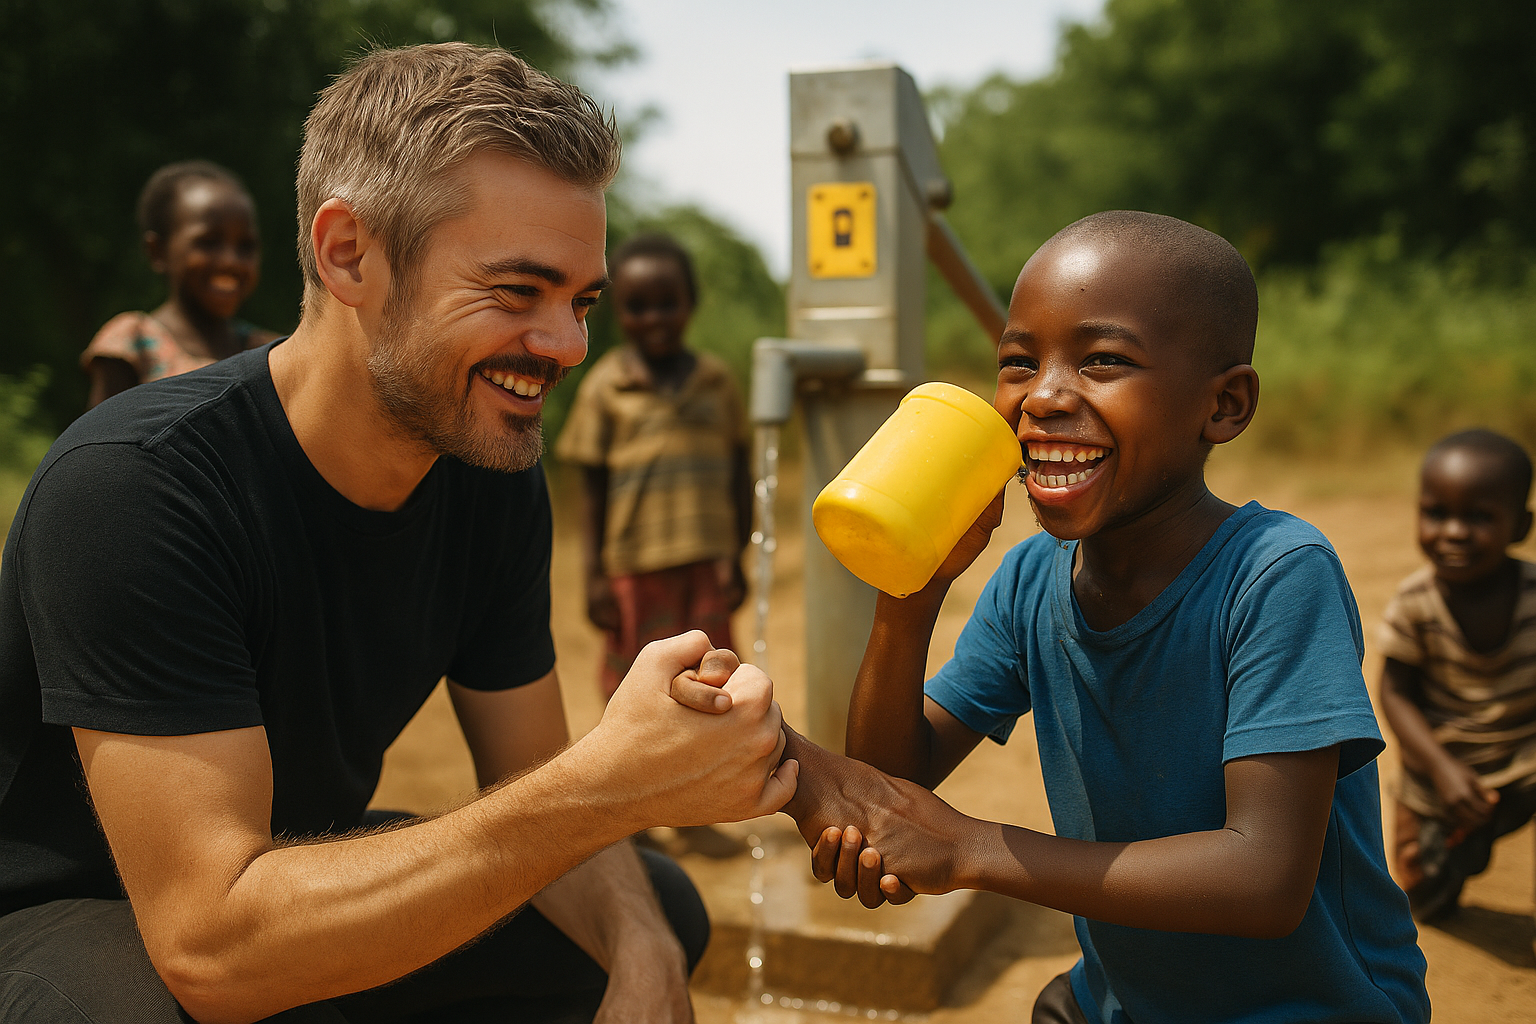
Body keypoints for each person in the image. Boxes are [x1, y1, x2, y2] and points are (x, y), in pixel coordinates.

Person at [0, 43, 797, 1024]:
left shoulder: (487, 466)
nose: (568, 346)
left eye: (580, 301)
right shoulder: (137, 485)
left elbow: (527, 774)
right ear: (349, 254)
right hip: (76, 915)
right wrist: (614, 784)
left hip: (281, 869)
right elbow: (211, 943)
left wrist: (642, 952)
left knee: (652, 910)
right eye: (517, 291)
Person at [777, 211, 1431, 1024]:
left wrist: (970, 847)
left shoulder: (1275, 575)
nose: (1043, 396)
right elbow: (893, 780)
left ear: (1224, 405)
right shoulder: (1030, 580)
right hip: (1132, 999)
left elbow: (1264, 878)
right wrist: (909, 594)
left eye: (1103, 361)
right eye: (1019, 362)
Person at [555, 233, 752, 701]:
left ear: (691, 303)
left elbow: (741, 476)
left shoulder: (716, 382)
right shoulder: (606, 387)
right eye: (637, 307)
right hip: (633, 571)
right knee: (637, 688)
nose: (654, 318)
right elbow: (592, 490)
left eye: (668, 304)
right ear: (615, 310)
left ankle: (714, 752)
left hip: (706, 564)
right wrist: (594, 578)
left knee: (715, 679)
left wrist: (736, 557)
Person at [1377, 429, 1536, 925]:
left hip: (1524, 763)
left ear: (1521, 526)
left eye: (1479, 517)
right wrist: (1441, 770)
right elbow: (1394, 694)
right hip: (1439, 771)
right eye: (1436, 513)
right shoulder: (1415, 604)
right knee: (1425, 899)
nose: (1453, 532)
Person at [81, 160, 280, 409]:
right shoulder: (133, 344)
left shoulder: (270, 354)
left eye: (245, 246)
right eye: (209, 242)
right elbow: (102, 433)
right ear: (157, 251)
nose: (231, 261)